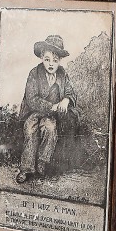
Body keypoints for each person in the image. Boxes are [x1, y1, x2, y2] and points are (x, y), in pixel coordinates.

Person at [16, 34, 79, 183]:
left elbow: (71, 92)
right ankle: (26, 168)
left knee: (50, 128)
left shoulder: (63, 74)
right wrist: (51, 106)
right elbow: (31, 99)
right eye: (47, 59)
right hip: (34, 112)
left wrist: (66, 100)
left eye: (55, 60)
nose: (51, 64)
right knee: (30, 128)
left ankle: (42, 162)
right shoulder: (34, 73)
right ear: (41, 58)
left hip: (51, 115)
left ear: (60, 61)